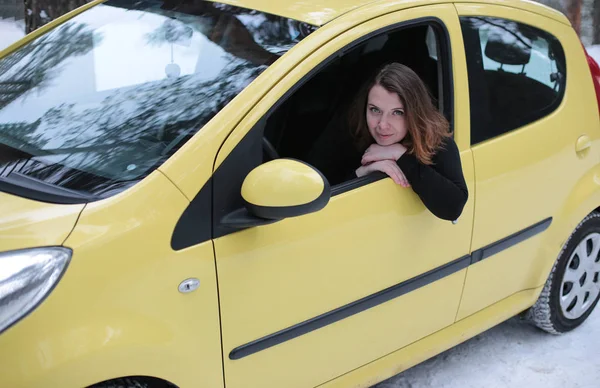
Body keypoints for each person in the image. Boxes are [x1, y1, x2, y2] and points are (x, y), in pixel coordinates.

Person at [307, 62, 468, 221]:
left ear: (415, 113)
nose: (382, 125)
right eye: (375, 110)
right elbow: (319, 196)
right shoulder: (352, 132)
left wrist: (400, 155)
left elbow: (453, 207)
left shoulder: (434, 142)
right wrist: (362, 172)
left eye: (397, 112)